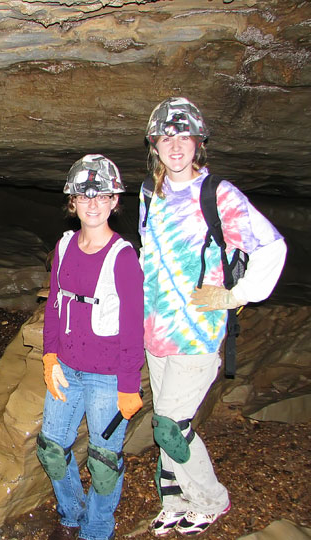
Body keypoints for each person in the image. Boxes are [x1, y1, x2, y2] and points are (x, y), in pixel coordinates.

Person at [139, 97, 287, 536]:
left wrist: (236, 294)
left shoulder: (218, 192)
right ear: (155, 146)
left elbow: (272, 244)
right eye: (167, 137)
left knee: (170, 425)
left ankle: (210, 500)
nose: (176, 145)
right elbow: (152, 256)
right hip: (155, 331)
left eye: (185, 136)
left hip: (197, 333)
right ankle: (174, 500)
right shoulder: (151, 193)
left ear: (198, 143)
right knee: (164, 420)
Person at [38, 154, 145, 540]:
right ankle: (71, 512)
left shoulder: (123, 258)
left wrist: (129, 384)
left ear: (115, 201)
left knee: (103, 462)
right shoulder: (64, 246)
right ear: (73, 202)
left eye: (102, 196)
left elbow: (133, 328)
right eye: (85, 197)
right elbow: (53, 304)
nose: (94, 204)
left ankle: (97, 530)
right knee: (52, 449)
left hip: (107, 376)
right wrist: (50, 356)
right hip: (67, 368)